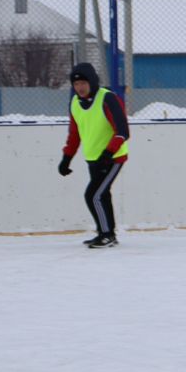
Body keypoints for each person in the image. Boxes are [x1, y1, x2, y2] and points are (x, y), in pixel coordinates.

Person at [57, 61, 129, 249]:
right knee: (102, 195)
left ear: (93, 82)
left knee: (93, 195)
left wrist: (108, 153)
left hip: (112, 158)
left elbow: (123, 131)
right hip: (93, 158)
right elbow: (75, 134)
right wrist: (66, 158)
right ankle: (106, 232)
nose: (80, 87)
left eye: (83, 83)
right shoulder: (75, 103)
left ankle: (107, 235)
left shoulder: (108, 99)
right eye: (76, 84)